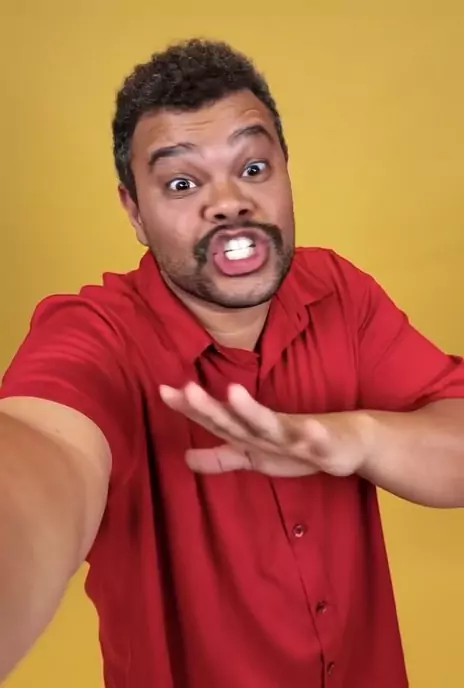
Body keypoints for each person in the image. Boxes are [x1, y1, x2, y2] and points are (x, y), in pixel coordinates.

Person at [1, 37, 464, 688]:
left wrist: (359, 438)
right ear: (134, 212)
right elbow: (45, 455)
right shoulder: (96, 334)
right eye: (181, 183)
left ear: (286, 173)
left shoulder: (341, 293)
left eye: (252, 168)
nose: (228, 202)